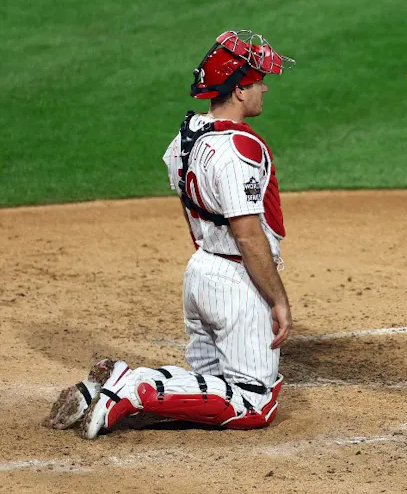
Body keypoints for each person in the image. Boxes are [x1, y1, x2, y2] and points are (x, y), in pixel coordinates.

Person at [47, 30, 296, 438]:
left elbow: (193, 217)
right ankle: (132, 385)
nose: (264, 88)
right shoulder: (239, 149)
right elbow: (248, 236)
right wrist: (277, 298)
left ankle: (101, 386)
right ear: (237, 91)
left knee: (210, 388)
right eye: (255, 82)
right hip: (237, 282)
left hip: (199, 272)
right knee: (254, 401)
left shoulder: (182, 139)